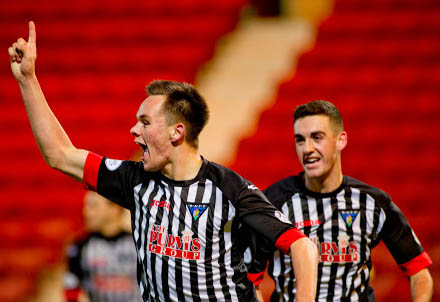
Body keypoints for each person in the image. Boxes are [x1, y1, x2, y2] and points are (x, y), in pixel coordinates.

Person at [9, 21, 318, 302]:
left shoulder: (231, 190)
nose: (133, 129)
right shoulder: (135, 180)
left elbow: (302, 247)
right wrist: (28, 81)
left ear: (176, 132)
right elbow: (59, 154)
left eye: (144, 122)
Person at [248, 100, 433, 301]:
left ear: (341, 140)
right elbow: (250, 280)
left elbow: (419, 272)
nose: (307, 148)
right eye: (300, 140)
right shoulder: (272, 203)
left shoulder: (373, 202)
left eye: (317, 137)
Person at [63, 191, 142, 302]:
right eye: (86, 206)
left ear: (115, 208)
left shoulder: (138, 244)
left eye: (93, 206)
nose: (86, 212)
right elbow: (71, 288)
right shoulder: (81, 244)